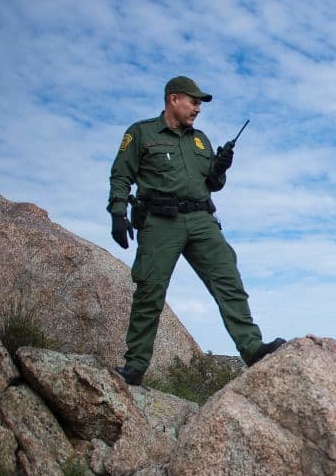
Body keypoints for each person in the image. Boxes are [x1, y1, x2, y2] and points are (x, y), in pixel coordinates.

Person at [107, 75, 283, 385]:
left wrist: (221, 167)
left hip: (201, 220)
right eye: (194, 101)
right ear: (173, 99)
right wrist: (118, 212)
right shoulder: (141, 133)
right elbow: (121, 175)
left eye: (200, 103)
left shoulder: (200, 140)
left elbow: (212, 184)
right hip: (161, 221)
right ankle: (134, 366)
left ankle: (253, 348)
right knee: (150, 291)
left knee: (229, 280)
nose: (198, 108)